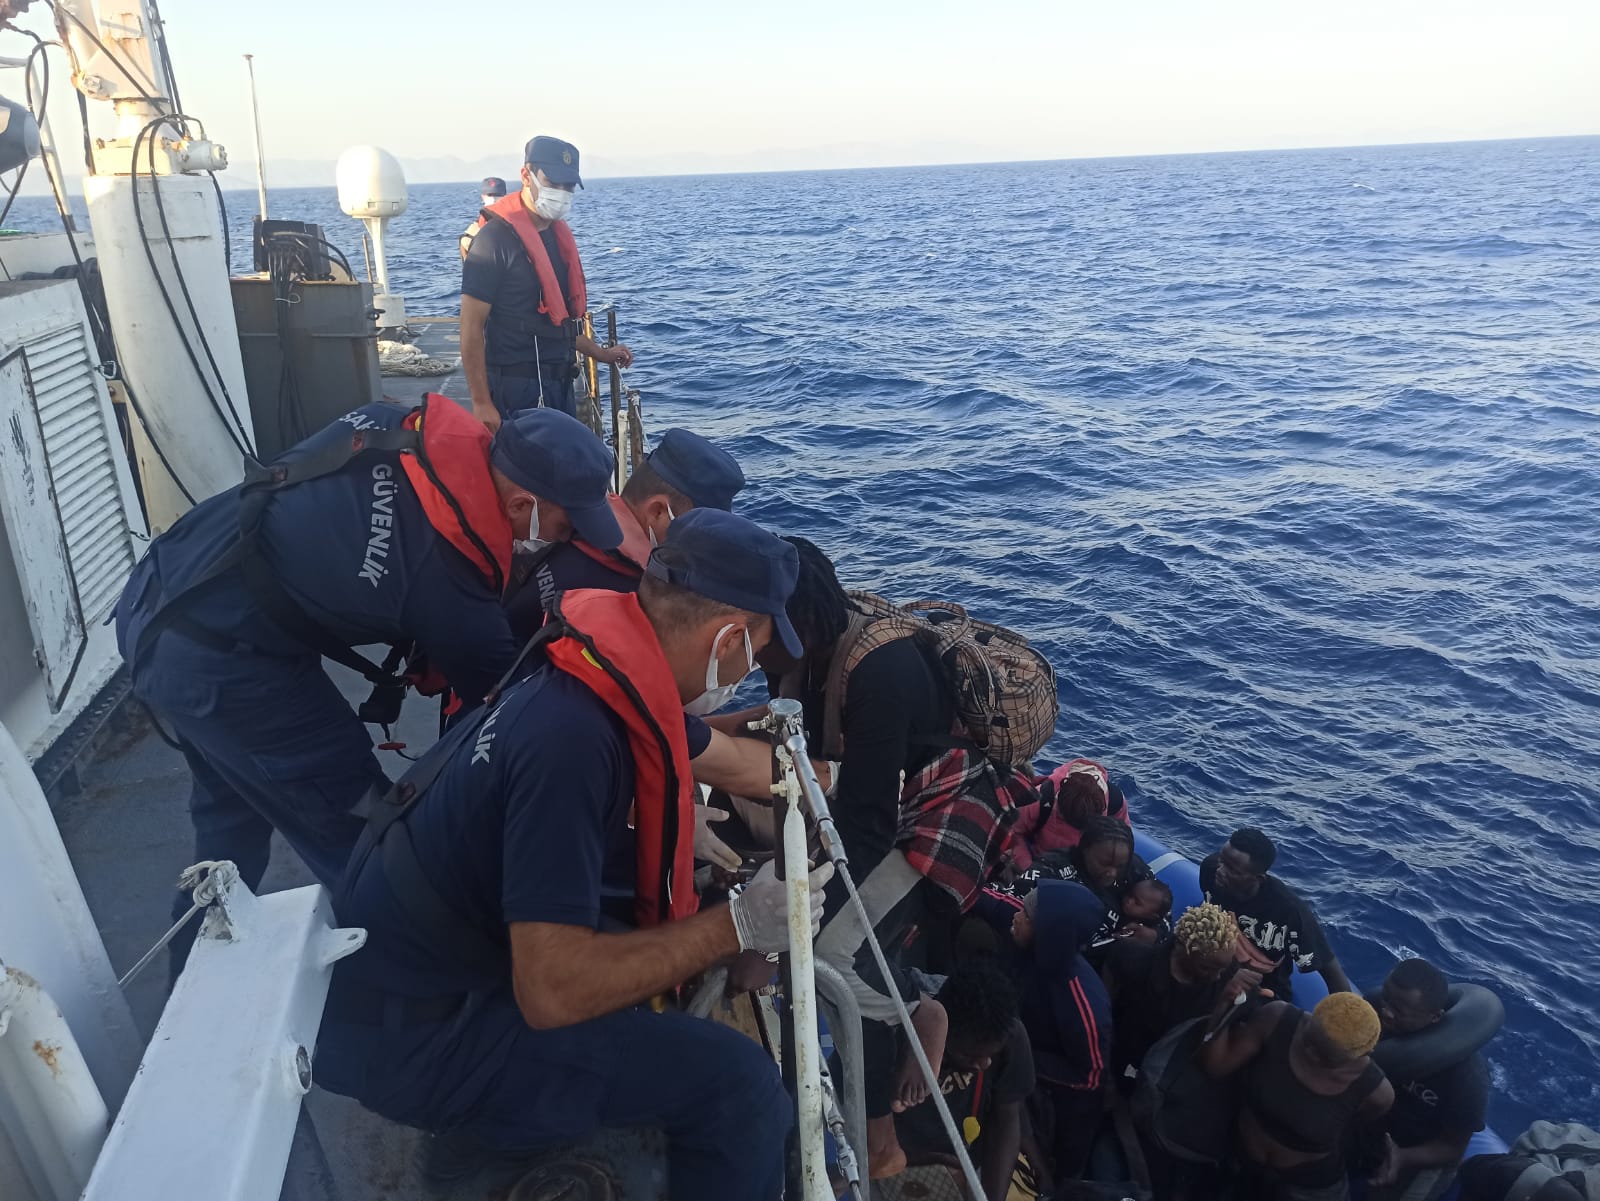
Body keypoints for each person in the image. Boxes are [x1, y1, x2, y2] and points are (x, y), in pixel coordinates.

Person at [318, 508, 833, 1201]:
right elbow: (552, 991)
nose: (747, 673)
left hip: (407, 974)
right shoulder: (573, 746)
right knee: (743, 1090)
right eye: (755, 655)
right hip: (423, 1039)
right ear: (729, 638)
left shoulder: (589, 664)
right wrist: (737, 924)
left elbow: (696, 746)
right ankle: (493, 1139)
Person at [114, 400, 619, 978]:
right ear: (522, 505)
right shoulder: (449, 587)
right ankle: (426, 992)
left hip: (165, 589)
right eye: (565, 528)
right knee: (365, 834)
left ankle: (189, 987)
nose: (564, 542)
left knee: (230, 821)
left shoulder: (397, 424)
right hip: (223, 663)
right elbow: (521, 712)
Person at [773, 537, 959, 1177]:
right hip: (864, 796)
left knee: (828, 948)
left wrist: (796, 904)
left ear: (799, 623)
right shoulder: (802, 652)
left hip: (928, 820)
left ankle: (917, 1016)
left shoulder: (879, 676)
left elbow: (869, 828)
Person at [505, 427, 746, 638]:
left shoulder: (577, 527)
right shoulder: (632, 594)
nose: (698, 547)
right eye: (698, 531)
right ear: (658, 511)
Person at [460, 135, 632, 426]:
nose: (561, 192)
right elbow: (470, 327)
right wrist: (481, 403)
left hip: (559, 386)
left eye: (568, 186)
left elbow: (558, 324)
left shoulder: (555, 238)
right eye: (553, 182)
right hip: (515, 390)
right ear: (526, 175)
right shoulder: (493, 241)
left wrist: (601, 354)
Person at [1202, 991, 1395, 1201]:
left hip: (1308, 1187)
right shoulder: (1276, 1019)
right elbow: (1217, 1066)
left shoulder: (1376, 1093)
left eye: (1325, 1058)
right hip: (1240, 1163)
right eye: (1307, 1040)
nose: (1311, 1054)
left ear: (1359, 1056)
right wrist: (1223, 1004)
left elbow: (1353, 1123)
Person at [893, 959, 1036, 1201]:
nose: (984, 1064)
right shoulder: (896, 1031)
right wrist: (929, 1159)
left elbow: (1006, 1119)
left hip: (965, 1164)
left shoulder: (1008, 1033)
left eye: (991, 1055)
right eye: (969, 1056)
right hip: (896, 1159)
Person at [1009, 880, 1113, 1189]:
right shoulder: (1031, 949)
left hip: (1063, 1110)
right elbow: (996, 906)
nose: (1016, 917)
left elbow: (1091, 1076)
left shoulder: (1084, 1003)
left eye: (1026, 916)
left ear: (1048, 933)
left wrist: (1020, 1057)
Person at [1369, 959, 1491, 1201]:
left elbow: (1452, 1147)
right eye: (1386, 1000)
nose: (1386, 1013)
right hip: (1378, 1126)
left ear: (1435, 1018)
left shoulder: (1466, 1076)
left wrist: (1402, 1157)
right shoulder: (1373, 1013)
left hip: (1422, 1154)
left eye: (1399, 1012)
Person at [1101, 901, 1253, 1089]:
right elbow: (1112, 963)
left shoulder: (1227, 975)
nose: (1216, 977)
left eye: (1223, 969)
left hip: (1176, 1069)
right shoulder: (1136, 961)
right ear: (1182, 950)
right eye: (1206, 968)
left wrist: (1230, 999)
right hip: (1127, 1055)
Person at [1200, 827, 1353, 1004]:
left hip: (1262, 986)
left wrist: (1342, 1014)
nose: (1221, 870)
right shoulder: (1210, 869)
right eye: (1222, 860)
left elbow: (1332, 973)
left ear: (1258, 878)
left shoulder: (1289, 911)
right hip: (1216, 965)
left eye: (1233, 870)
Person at [971, 815, 1145, 960]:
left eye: (1120, 866)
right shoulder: (1052, 868)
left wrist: (1154, 933)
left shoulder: (1132, 869)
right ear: (1085, 849)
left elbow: (1158, 900)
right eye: (1104, 863)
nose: (1112, 873)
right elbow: (1012, 905)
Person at [1112, 877, 1173, 944]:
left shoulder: (1148, 930)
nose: (1129, 901)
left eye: (1137, 903)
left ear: (1152, 915)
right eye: (1130, 894)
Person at [460, 176, 508, 259]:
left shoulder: (518, 225)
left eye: (498, 195)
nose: (493, 199)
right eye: (489, 195)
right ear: (483, 196)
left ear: (505, 196)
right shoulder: (470, 235)